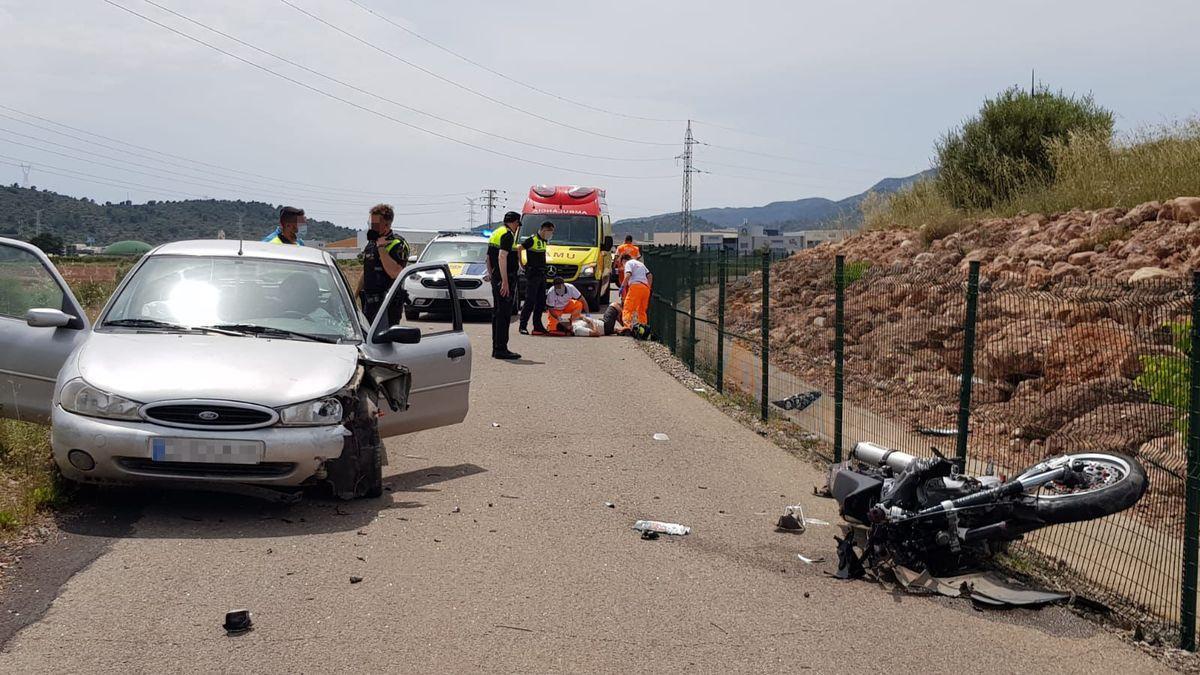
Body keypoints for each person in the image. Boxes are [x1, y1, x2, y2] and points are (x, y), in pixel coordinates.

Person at [356, 204, 410, 325]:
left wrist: (381, 247)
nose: (372, 227)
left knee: (383, 342)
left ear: (386, 224)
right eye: (371, 223)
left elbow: (394, 273)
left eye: (375, 224)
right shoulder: (371, 244)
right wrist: (354, 296)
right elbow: (367, 271)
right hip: (369, 305)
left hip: (387, 306)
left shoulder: (398, 244)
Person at [485, 212, 521, 359]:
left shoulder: (495, 233)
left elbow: (488, 257)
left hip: (496, 278)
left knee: (497, 313)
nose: (518, 226)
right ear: (514, 222)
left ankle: (497, 347)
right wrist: (505, 281)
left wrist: (492, 275)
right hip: (505, 280)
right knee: (504, 315)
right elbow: (502, 256)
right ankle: (501, 349)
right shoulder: (507, 235)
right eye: (518, 223)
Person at [518, 220, 554, 335]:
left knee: (540, 302)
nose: (551, 234)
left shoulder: (544, 241)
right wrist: (521, 263)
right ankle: (523, 326)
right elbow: (520, 248)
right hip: (533, 274)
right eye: (550, 231)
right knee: (529, 301)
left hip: (542, 275)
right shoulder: (532, 240)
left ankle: (537, 326)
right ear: (544, 230)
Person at [619, 252, 652, 328]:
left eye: (622, 264)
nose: (623, 266)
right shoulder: (641, 264)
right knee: (642, 310)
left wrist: (622, 286)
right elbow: (650, 276)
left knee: (628, 308)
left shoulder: (628, 263)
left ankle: (627, 327)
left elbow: (628, 274)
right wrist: (649, 287)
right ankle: (643, 328)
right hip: (645, 288)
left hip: (635, 287)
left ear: (624, 260)